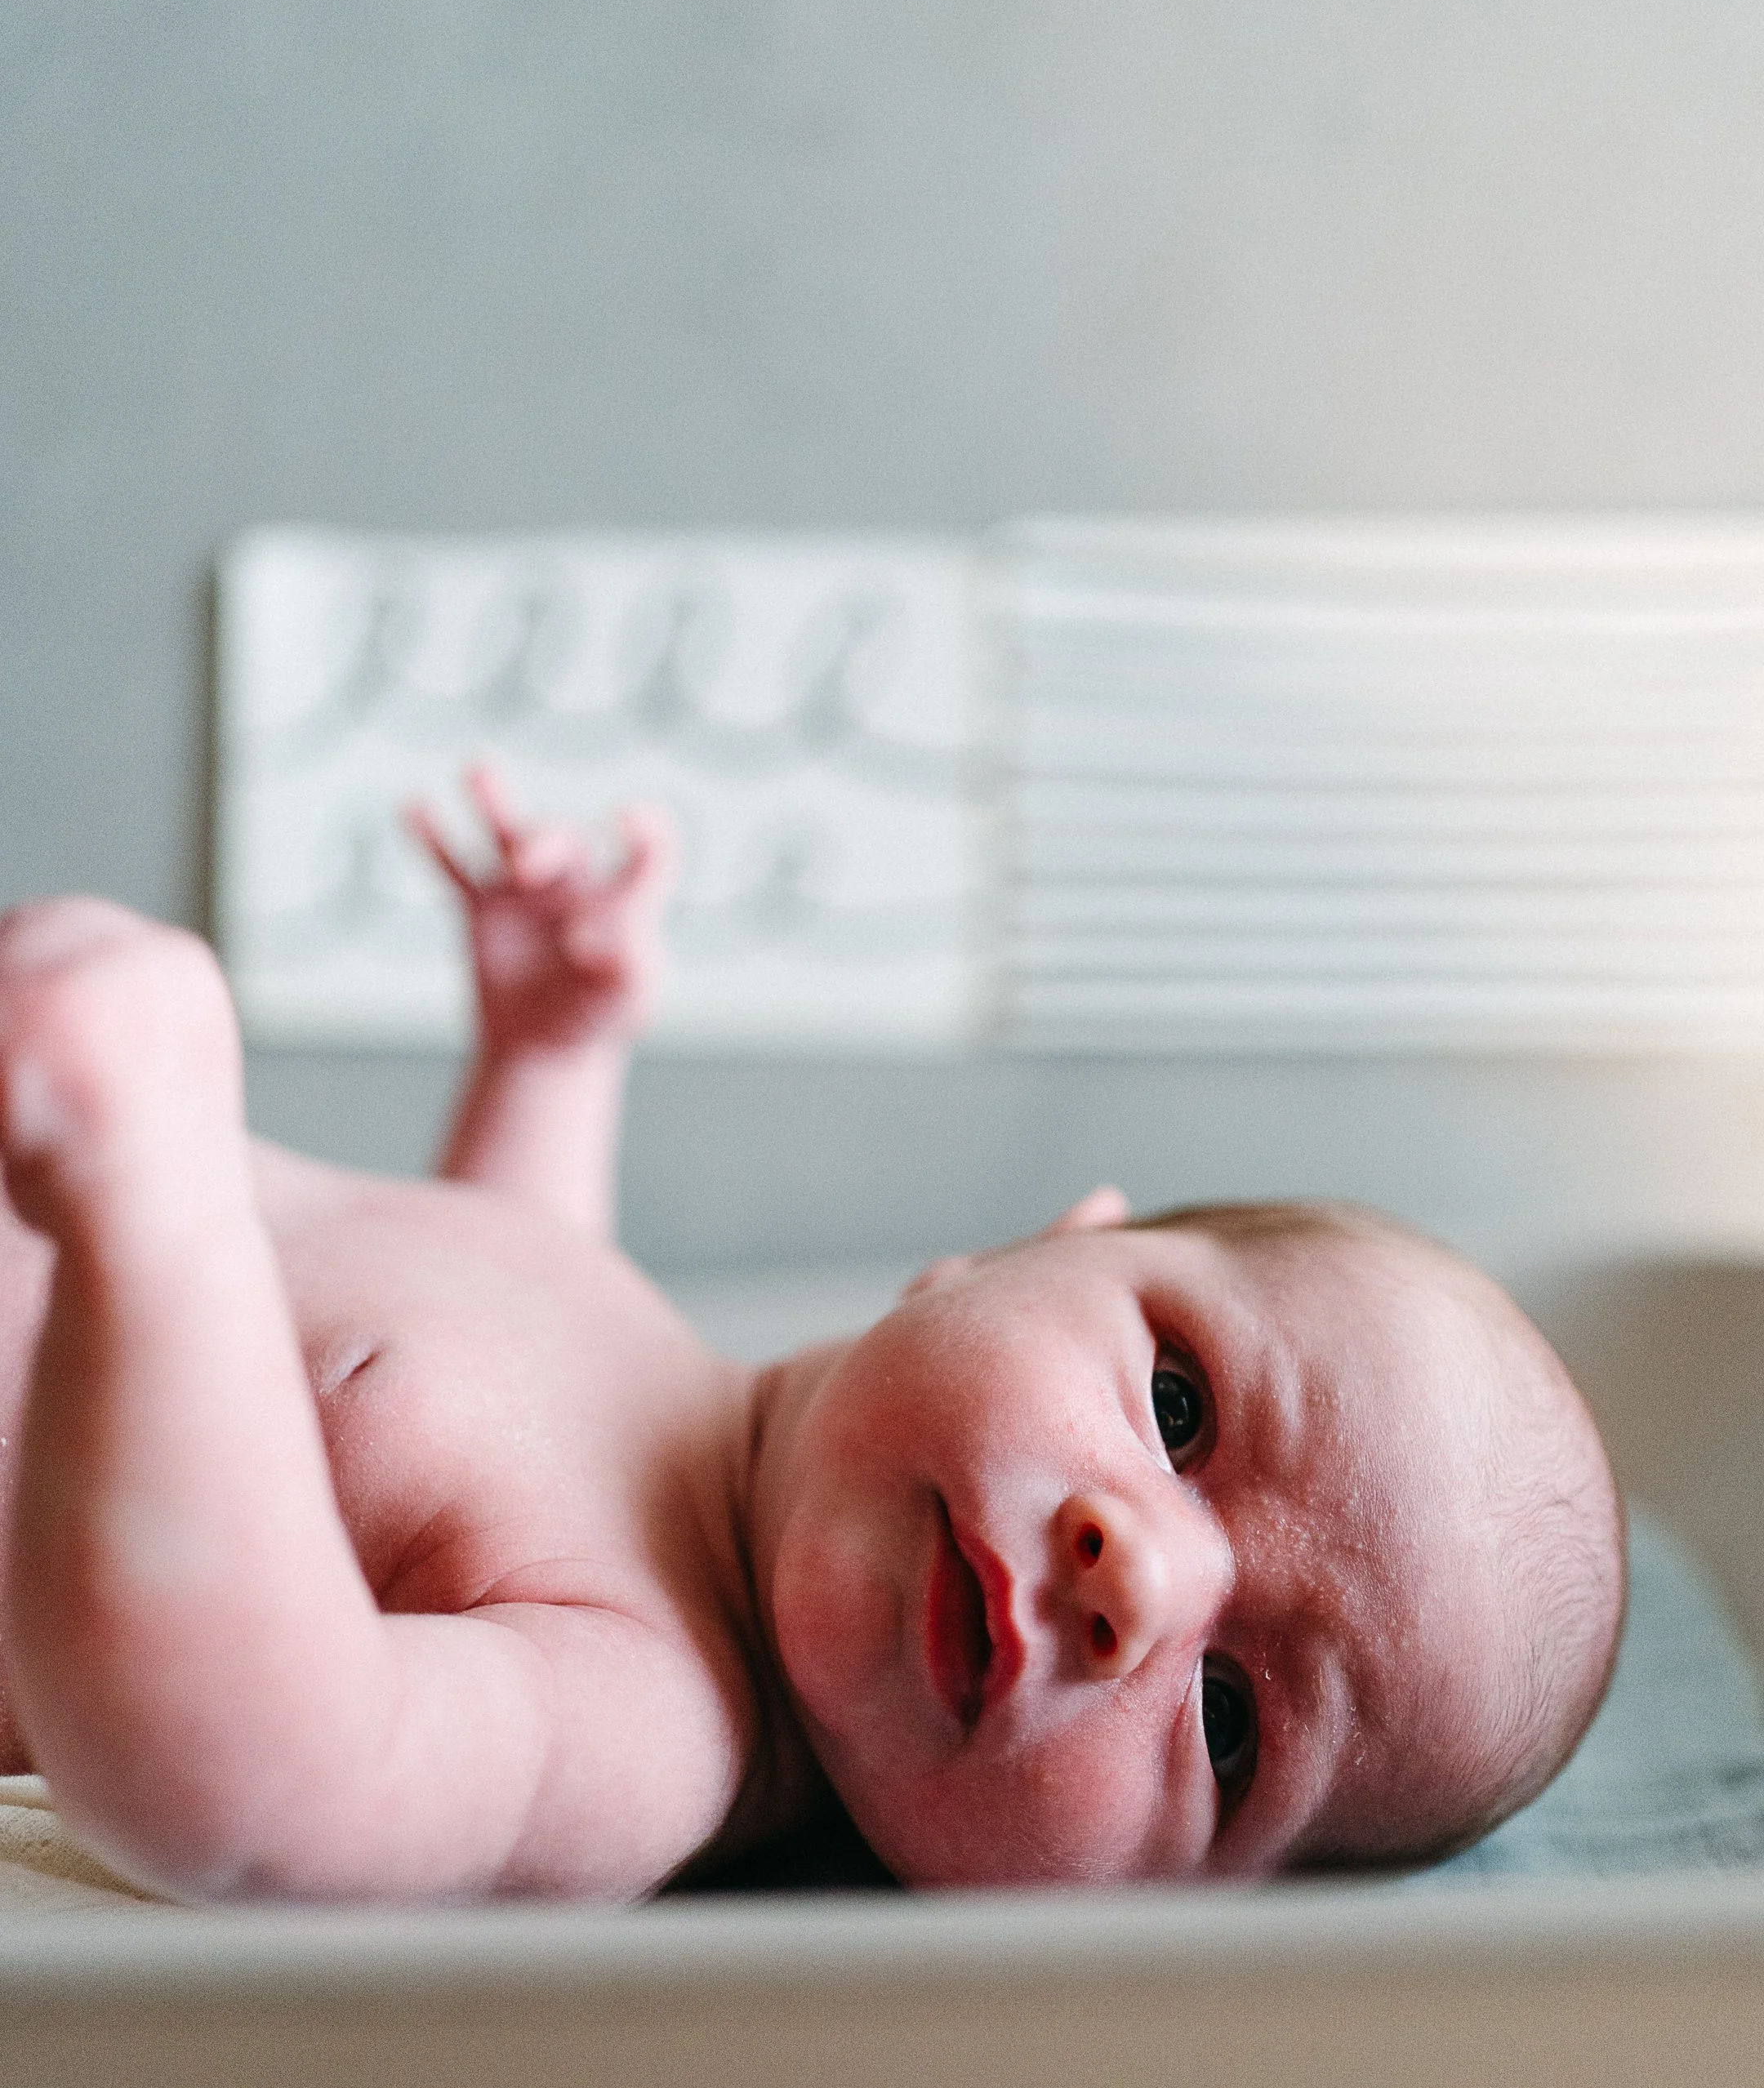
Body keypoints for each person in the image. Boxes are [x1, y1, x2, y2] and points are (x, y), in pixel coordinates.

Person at [0, 772, 1624, 1899]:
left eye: (1229, 1726)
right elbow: (503, 1287)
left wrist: (156, 1209)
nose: (1146, 1581)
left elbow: (264, 1787)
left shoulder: (650, 1721)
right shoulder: (652, 1365)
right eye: (1183, 1411)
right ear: (1030, 1251)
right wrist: (552, 1054)